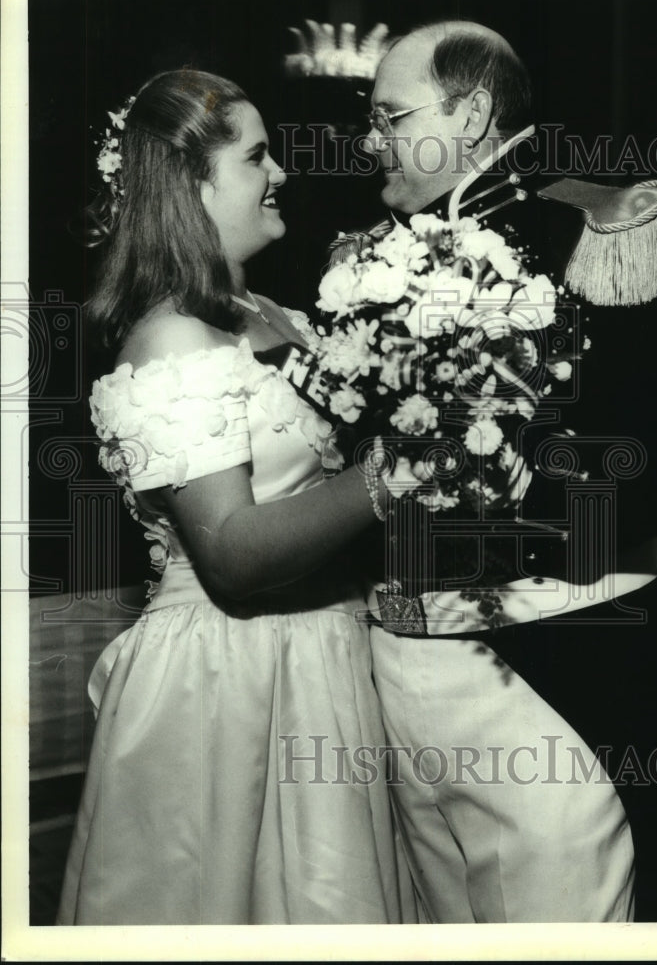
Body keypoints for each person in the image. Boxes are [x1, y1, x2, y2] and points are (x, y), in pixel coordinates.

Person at [336, 20, 657, 922]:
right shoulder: (370, 252)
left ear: (473, 111)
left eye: (390, 115)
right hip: (405, 665)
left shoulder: (591, 218)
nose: (369, 140)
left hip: (550, 662)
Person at [56, 69, 420, 925]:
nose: (280, 173)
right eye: (257, 157)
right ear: (190, 183)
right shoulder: (171, 337)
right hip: (229, 675)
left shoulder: (272, 316)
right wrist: (393, 476)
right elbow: (230, 553)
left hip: (322, 654)